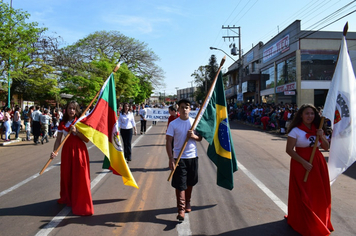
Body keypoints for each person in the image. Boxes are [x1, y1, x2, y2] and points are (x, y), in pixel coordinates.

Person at [285, 104, 334, 235]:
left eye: (312, 114)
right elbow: (289, 150)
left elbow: (326, 147)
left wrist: (322, 136)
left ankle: (319, 217)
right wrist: (303, 162)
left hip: (317, 163)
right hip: (300, 164)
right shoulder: (295, 131)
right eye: (307, 113)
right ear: (301, 115)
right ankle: (304, 219)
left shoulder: (318, 129)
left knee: (317, 192)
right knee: (304, 194)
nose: (310, 116)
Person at [50, 101, 93, 216]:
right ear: (66, 109)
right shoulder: (62, 123)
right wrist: (55, 151)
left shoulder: (80, 122)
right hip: (67, 152)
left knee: (80, 176)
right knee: (67, 175)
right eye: (70, 108)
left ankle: (80, 199)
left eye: (74, 108)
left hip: (79, 152)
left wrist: (76, 132)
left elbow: (86, 140)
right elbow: (58, 140)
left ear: (77, 110)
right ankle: (68, 197)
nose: (71, 110)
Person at [166, 98, 202, 221]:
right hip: (179, 158)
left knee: (190, 183)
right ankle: (180, 209)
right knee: (180, 184)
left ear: (190, 109)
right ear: (178, 109)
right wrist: (171, 158)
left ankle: (187, 202)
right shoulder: (173, 124)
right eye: (182, 107)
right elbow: (168, 141)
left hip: (192, 157)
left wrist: (193, 136)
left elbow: (200, 138)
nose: (184, 109)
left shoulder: (194, 122)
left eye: (186, 107)